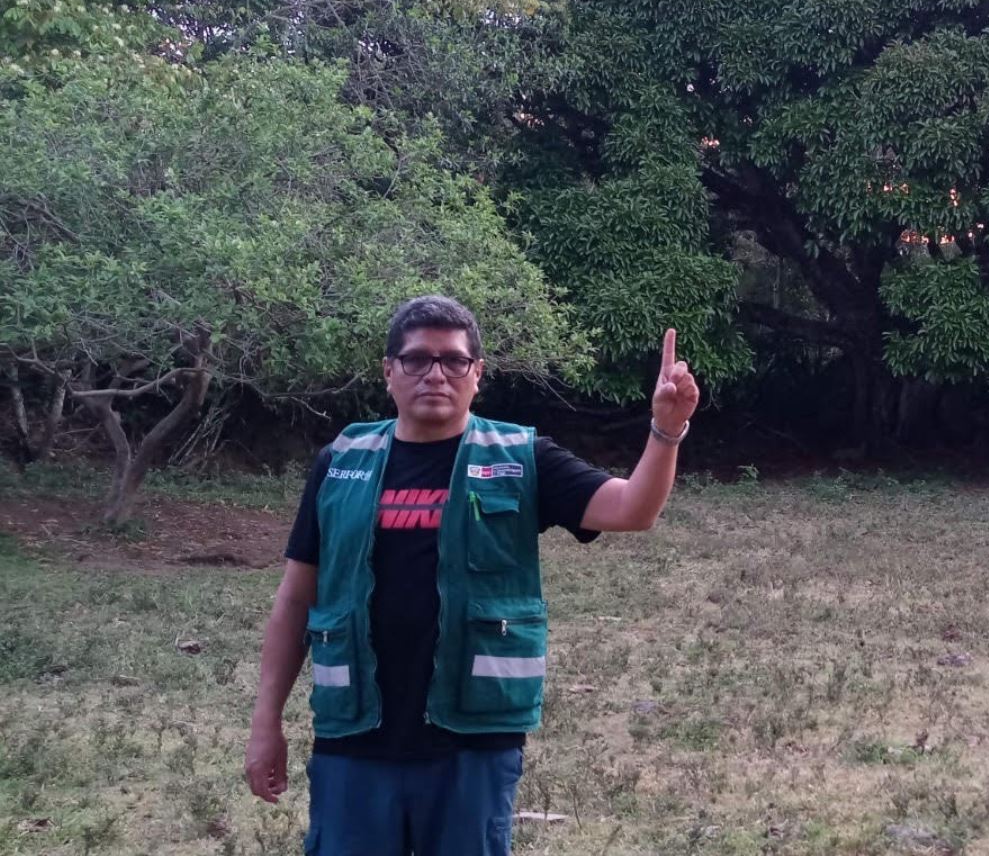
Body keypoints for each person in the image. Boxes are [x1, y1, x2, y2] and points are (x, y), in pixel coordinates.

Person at [243, 295, 699, 853]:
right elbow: (295, 600)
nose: (435, 373)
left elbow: (633, 509)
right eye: (416, 359)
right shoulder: (341, 461)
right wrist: (266, 722)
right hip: (354, 737)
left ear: (477, 374)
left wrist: (665, 431)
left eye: (453, 361)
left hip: (472, 738)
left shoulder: (520, 456)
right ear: (389, 371)